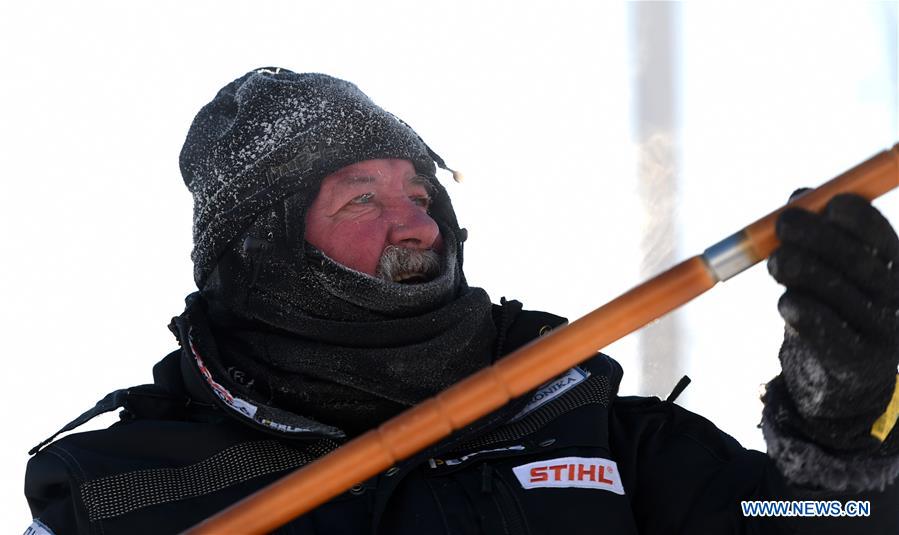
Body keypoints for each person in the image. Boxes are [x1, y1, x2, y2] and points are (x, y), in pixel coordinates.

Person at [23, 67, 899, 534]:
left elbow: (819, 522)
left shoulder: (591, 430)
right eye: (361, 198)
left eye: (421, 191)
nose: (415, 224)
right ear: (263, 249)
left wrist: (840, 441)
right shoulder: (126, 489)